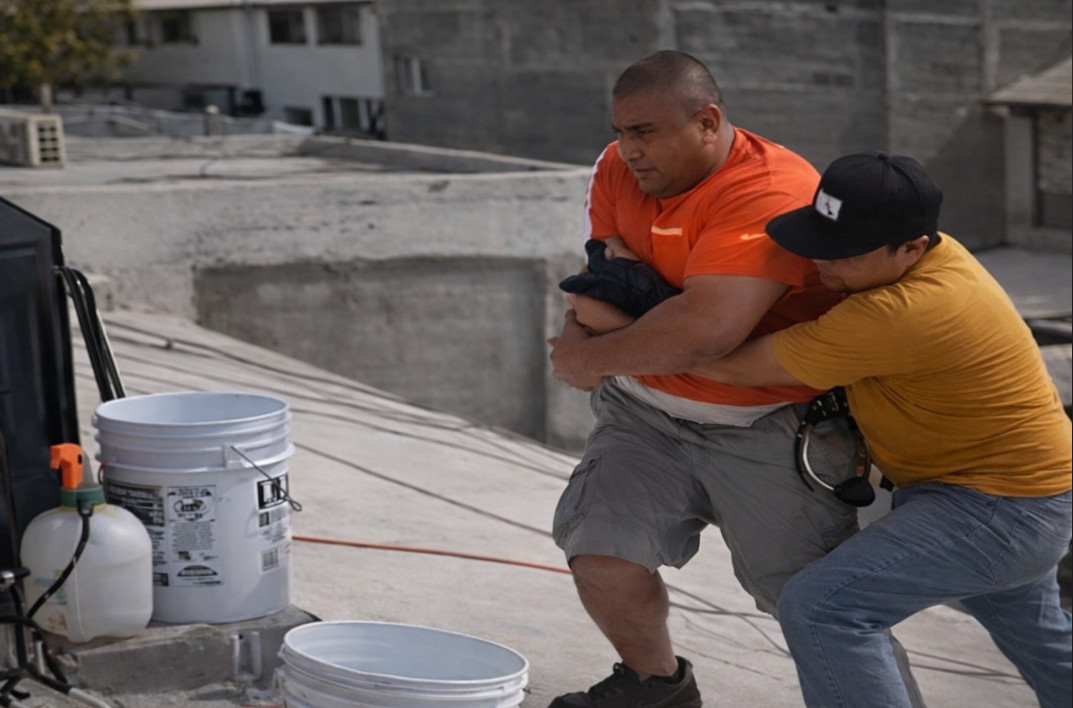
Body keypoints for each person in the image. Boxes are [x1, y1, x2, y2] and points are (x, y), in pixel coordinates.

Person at [546, 50, 923, 708]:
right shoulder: (614, 170)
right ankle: (654, 688)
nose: (625, 151)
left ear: (707, 122)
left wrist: (593, 353)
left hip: (772, 425)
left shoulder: (767, 190)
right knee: (599, 551)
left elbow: (704, 331)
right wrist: (661, 312)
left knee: (815, 606)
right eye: (618, 131)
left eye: (644, 132)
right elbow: (598, 295)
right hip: (646, 413)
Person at [685, 151, 1073, 707]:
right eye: (817, 238)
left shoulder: (905, 310)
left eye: (842, 252)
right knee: (1046, 647)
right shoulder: (934, 256)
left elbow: (722, 359)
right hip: (1026, 495)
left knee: (822, 609)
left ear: (913, 247)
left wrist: (620, 328)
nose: (821, 262)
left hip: (994, 509)